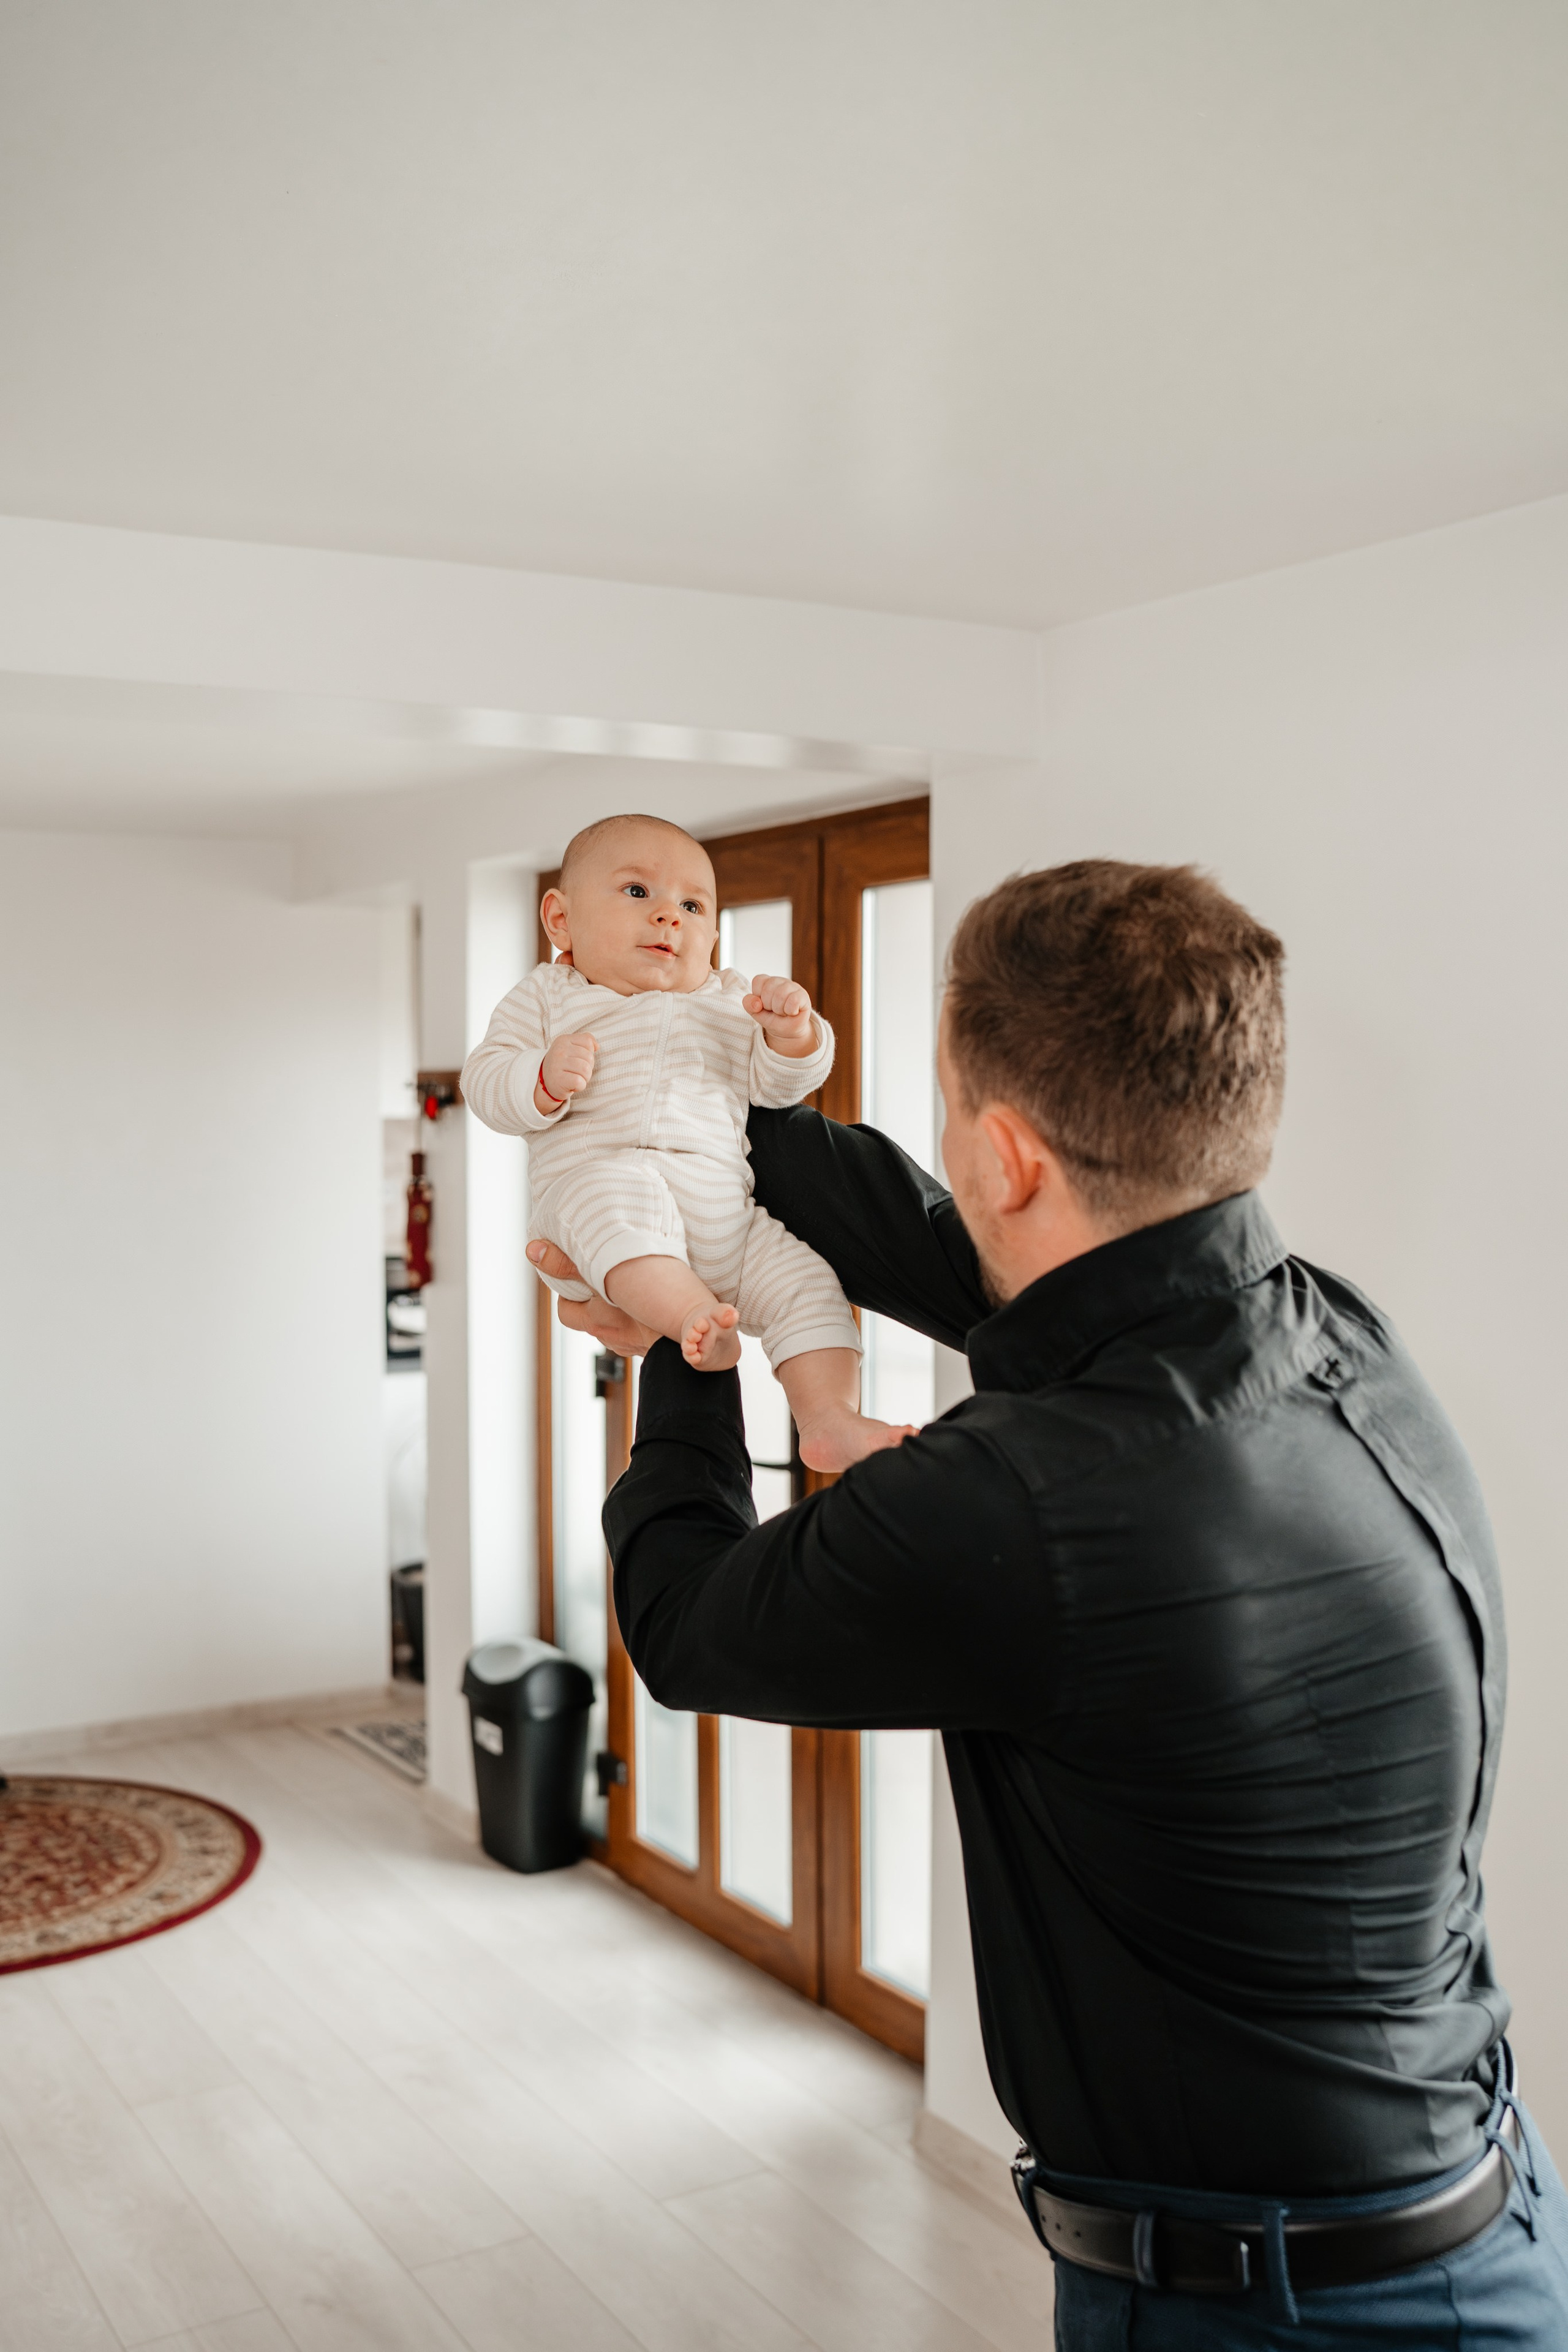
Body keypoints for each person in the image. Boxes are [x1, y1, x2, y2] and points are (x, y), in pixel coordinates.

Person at [530, 856, 1568, 2347]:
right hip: (1467, 2220)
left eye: (953, 1109)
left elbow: (687, 1621)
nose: (945, 1147)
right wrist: (683, 1105)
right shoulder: (1321, 1324)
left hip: (1272, 2309)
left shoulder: (1016, 1494)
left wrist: (676, 1346)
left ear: (1007, 1152)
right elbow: (968, 1264)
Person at [462, 812, 910, 1470]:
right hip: (599, 1196)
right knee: (614, 1196)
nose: (669, 916)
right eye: (638, 892)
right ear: (560, 919)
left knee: (807, 1280)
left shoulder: (729, 1000)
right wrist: (540, 1076)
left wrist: (795, 1035)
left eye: (692, 904)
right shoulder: (548, 996)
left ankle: (827, 1417)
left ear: (713, 934)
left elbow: (781, 1084)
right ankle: (693, 1317)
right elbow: (485, 1079)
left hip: (722, 1212)